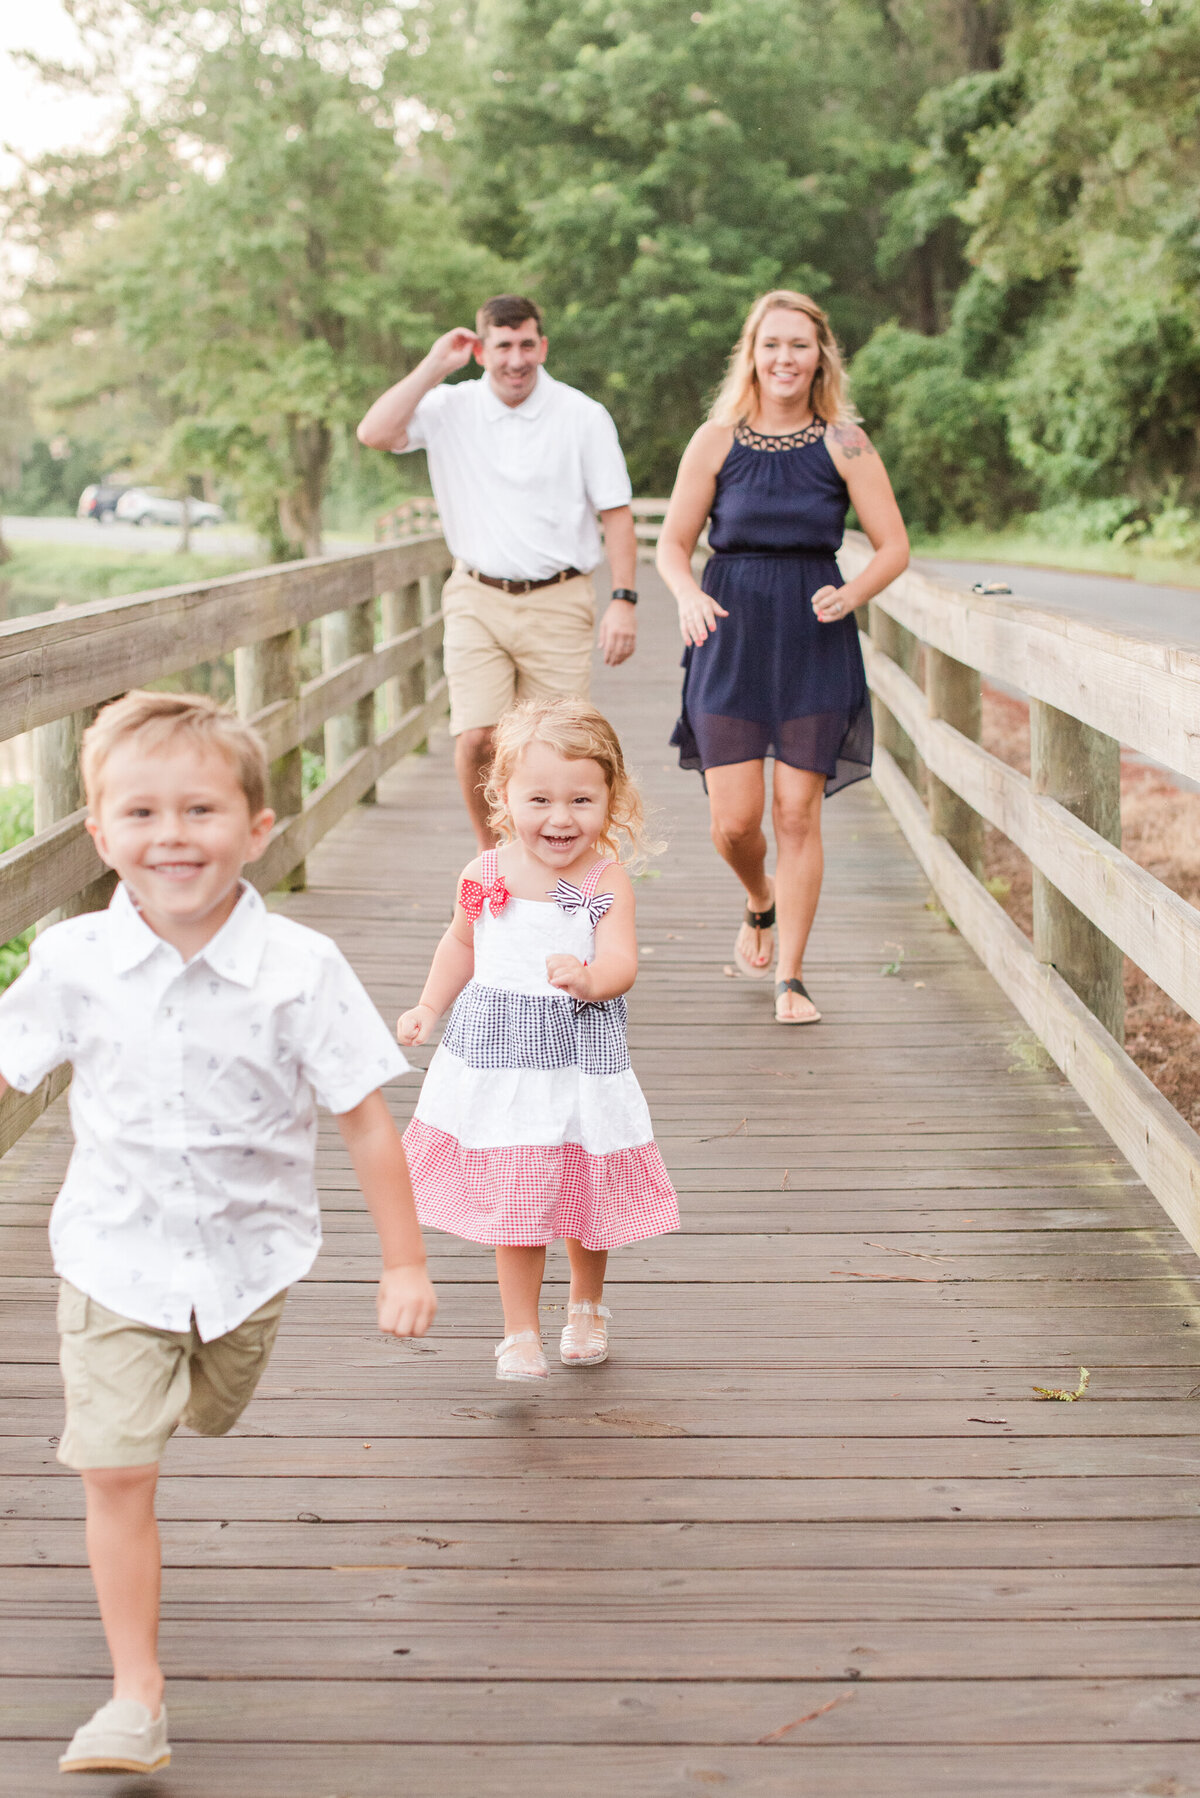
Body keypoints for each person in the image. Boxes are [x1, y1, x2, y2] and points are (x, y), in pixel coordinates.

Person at [0, 691, 437, 1776]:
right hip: (111, 1253)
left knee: (211, 1408)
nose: (171, 836)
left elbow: (366, 1121)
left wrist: (405, 1261)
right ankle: (135, 1696)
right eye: (139, 813)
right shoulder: (70, 965)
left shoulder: (304, 967)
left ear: (257, 828)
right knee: (116, 1465)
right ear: (98, 834)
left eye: (199, 809)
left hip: (253, 1258)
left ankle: (190, 1390)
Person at [397, 695, 678, 1381]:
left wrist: (591, 978)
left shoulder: (603, 878)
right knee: (518, 1197)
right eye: (540, 799)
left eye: (582, 800)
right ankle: (519, 1332)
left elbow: (622, 959)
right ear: (503, 796)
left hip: (578, 1059)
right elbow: (460, 946)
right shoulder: (483, 876)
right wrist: (429, 1007)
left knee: (584, 1187)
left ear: (612, 798)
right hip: (499, 1061)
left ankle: (585, 1305)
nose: (560, 819)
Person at [656, 290, 909, 1025]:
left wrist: (852, 591)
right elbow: (673, 545)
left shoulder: (847, 442)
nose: (785, 358)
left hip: (812, 632)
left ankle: (791, 977)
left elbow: (893, 546)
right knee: (734, 822)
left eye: (799, 345)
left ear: (820, 355)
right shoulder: (715, 440)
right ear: (752, 353)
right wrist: (683, 594)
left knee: (797, 813)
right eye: (772, 344)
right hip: (728, 630)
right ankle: (759, 897)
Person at [357, 295, 641, 849]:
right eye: (503, 346)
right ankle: (495, 864)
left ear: (543, 346)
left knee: (563, 749)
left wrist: (624, 599)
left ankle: (557, 858)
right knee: (479, 739)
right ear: (482, 350)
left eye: (526, 344)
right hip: (476, 594)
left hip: (559, 598)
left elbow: (616, 512)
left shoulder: (581, 415)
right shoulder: (448, 406)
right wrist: (436, 364)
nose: (516, 359)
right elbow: (375, 433)